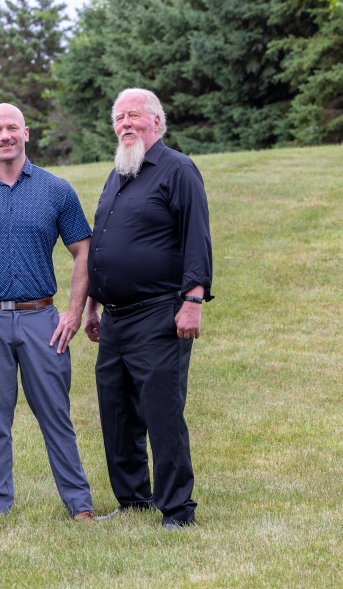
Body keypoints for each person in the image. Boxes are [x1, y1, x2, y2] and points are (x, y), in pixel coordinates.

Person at [0, 103, 96, 522]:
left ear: (26, 133)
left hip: (42, 320)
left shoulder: (56, 190)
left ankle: (80, 506)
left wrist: (74, 312)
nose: (5, 135)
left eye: (12, 127)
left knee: (57, 416)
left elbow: (84, 251)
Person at [84, 88, 213, 530]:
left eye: (133, 115)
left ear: (156, 121)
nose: (125, 124)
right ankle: (133, 498)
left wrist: (193, 301)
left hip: (159, 313)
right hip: (115, 318)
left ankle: (177, 509)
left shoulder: (178, 170)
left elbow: (196, 238)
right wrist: (93, 304)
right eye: (118, 118)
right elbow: (103, 245)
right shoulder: (119, 174)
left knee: (162, 413)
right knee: (116, 412)